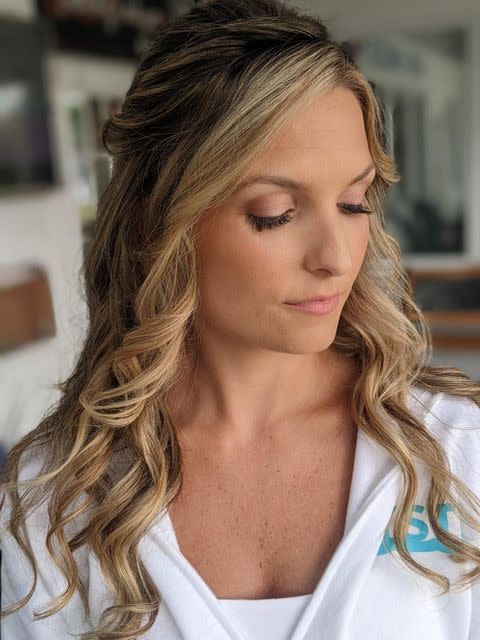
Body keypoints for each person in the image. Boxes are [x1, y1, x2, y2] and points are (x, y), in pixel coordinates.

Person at [1, 1, 480, 639]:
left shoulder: (458, 453)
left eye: (354, 203)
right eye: (274, 213)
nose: (336, 258)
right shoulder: (55, 500)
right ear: (159, 217)